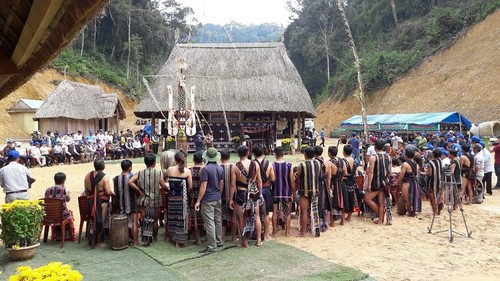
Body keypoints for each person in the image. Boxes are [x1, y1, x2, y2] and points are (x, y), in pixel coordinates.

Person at [129, 153, 168, 246]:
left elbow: (130, 181)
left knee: (146, 219)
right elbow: (163, 185)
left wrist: (139, 190)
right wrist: (168, 189)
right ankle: (154, 237)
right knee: (155, 221)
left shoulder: (140, 172)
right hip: (156, 200)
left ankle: (146, 238)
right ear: (154, 163)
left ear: (145, 162)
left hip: (143, 200)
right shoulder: (158, 172)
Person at [229, 145, 263, 248]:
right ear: (248, 153)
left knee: (241, 218)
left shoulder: (235, 167)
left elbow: (233, 185)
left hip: (241, 194)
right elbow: (259, 181)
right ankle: (258, 240)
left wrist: (230, 198)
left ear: (238, 154)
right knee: (256, 216)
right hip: (254, 193)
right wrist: (260, 194)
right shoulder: (255, 164)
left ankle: (245, 242)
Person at [195, 147, 224, 254]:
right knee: (217, 220)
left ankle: (212, 246)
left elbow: (203, 186)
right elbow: (221, 184)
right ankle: (218, 241)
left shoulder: (205, 169)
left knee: (209, 222)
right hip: (217, 197)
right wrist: (218, 194)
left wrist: (198, 200)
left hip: (208, 199)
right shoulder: (220, 168)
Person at [164, 152, 192, 247]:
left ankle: (171, 237)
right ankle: (179, 240)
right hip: (182, 199)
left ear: (175, 160)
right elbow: (191, 187)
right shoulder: (187, 171)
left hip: (172, 198)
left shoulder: (169, 169)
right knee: (181, 220)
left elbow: (165, 180)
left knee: (172, 218)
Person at [84, 158, 113, 248]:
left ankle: (89, 241)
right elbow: (108, 192)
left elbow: (86, 190)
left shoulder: (87, 175)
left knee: (91, 221)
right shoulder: (105, 177)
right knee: (101, 221)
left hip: (90, 201)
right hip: (102, 202)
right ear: (103, 166)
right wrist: (114, 194)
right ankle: (98, 242)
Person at [295, 146, 322, 237]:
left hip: (304, 190)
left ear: (305, 155)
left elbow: (298, 175)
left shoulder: (302, 165)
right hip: (315, 190)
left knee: (304, 211)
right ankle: (315, 231)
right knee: (314, 211)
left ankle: (303, 232)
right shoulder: (318, 163)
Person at [113, 160, 140, 246]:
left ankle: (125, 239)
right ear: (130, 168)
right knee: (134, 223)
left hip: (121, 205)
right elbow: (137, 190)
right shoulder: (132, 178)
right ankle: (135, 242)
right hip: (131, 203)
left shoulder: (116, 179)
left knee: (124, 223)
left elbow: (115, 192)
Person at [365, 139, 391, 224]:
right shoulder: (388, 157)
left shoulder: (373, 157)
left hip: (377, 182)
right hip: (385, 182)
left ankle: (381, 215)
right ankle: (380, 218)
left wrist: (369, 184)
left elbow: (371, 171)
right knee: (381, 201)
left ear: (375, 147)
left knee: (367, 199)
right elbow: (389, 171)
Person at [252, 144, 275, 241]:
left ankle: (255, 235)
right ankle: (266, 235)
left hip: (255, 191)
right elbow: (273, 178)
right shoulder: (269, 164)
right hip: (266, 189)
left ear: (253, 153)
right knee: (266, 214)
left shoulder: (252, 164)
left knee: (255, 214)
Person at [45, 172, 76, 241]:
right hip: (61, 215)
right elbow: (68, 200)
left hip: (50, 215)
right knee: (70, 213)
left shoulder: (47, 190)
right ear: (64, 181)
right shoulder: (65, 190)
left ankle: (55, 234)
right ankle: (67, 235)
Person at [271, 147, 295, 236]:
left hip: (275, 191)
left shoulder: (272, 165)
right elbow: (292, 180)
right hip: (286, 192)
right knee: (287, 213)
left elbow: (271, 179)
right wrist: (292, 191)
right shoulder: (289, 165)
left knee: (274, 211)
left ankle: (274, 232)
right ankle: (287, 232)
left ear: (275, 155)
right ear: (283, 154)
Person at [397, 147, 420, 217]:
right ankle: (413, 210)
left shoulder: (405, 164)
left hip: (406, 183)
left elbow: (401, 174)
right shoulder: (416, 165)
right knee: (413, 197)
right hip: (414, 183)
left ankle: (410, 211)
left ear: (406, 155)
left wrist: (397, 182)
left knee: (407, 198)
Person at [313, 146, 332, 231]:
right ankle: (325, 223)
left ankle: (319, 225)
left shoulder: (314, 162)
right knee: (324, 203)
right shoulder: (326, 162)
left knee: (318, 203)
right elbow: (328, 176)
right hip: (324, 184)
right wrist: (328, 187)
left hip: (317, 184)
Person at [220, 150, 236, 242]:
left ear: (221, 158)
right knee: (234, 217)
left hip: (222, 195)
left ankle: (222, 237)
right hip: (233, 196)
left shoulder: (218, 167)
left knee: (223, 217)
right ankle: (234, 237)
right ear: (229, 157)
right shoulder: (234, 167)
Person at [190, 152, 204, 245]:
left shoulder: (188, 170)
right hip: (203, 197)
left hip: (192, 198)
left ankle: (198, 239)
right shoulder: (205, 170)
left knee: (194, 218)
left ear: (193, 160)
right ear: (203, 160)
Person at [328, 146, 345, 225]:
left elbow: (329, 174)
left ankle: (332, 222)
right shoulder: (341, 161)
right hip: (340, 182)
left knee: (332, 201)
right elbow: (344, 172)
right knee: (341, 201)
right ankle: (342, 221)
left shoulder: (330, 162)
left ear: (329, 153)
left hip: (333, 183)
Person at [341, 145, 356, 222]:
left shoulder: (343, 161)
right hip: (352, 181)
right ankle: (349, 216)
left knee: (344, 198)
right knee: (351, 198)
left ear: (344, 152)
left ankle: (343, 216)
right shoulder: (353, 160)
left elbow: (345, 172)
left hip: (345, 181)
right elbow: (353, 172)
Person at [426, 149, 443, 215]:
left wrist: (424, 173)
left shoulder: (431, 162)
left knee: (432, 197)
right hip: (439, 180)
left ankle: (434, 211)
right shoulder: (440, 160)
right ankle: (439, 211)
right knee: (439, 196)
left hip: (432, 181)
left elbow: (430, 174)